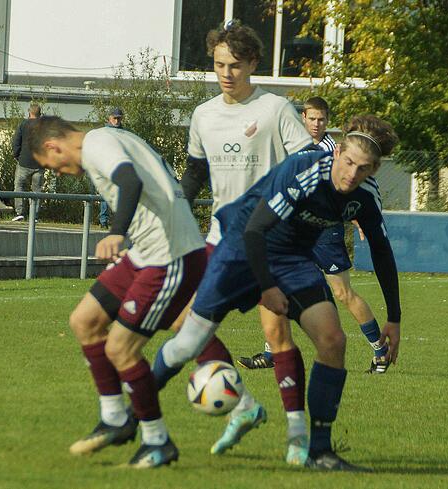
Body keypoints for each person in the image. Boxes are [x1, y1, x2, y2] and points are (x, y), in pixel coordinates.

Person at [155, 114, 401, 470]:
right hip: (242, 247)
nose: (352, 174)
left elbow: (381, 249)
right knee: (189, 339)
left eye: (363, 169)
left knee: (333, 340)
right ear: (337, 152)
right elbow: (256, 230)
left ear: (374, 169)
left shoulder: (364, 195)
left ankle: (318, 451)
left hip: (292, 259)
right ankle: (136, 413)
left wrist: (394, 318)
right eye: (348, 162)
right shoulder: (304, 171)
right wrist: (267, 288)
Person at [156, 19, 312, 459]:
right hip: (220, 239)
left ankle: (297, 434)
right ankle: (243, 405)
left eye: (236, 65)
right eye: (219, 64)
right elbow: (195, 173)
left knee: (276, 333)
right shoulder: (203, 115)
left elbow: (308, 166)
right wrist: (175, 209)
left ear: (254, 64)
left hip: (271, 241)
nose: (226, 73)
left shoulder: (276, 109)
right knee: (182, 321)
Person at [27, 115, 212, 468]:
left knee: (120, 348)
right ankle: (113, 418)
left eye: (49, 164)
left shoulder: (97, 144)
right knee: (85, 320)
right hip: (146, 252)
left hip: (169, 256)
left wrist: (116, 232)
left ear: (53, 146)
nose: (58, 171)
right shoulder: (109, 137)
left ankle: (157, 441)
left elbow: (129, 181)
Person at [239, 96, 392, 374]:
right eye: (312, 118)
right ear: (304, 119)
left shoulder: (335, 149)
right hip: (295, 226)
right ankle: (272, 350)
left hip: (326, 231)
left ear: (327, 121)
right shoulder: (294, 143)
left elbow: (353, 190)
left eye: (321, 119)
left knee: (342, 292)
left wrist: (359, 217)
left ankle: (379, 350)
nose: (316, 123)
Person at [11, 103, 45, 222]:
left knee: (19, 186)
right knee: (37, 189)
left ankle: (20, 212)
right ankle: (34, 216)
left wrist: (16, 155)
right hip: (39, 163)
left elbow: (16, 142)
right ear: (40, 114)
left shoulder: (23, 125)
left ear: (29, 112)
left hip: (24, 161)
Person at [99, 108, 124, 228]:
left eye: (119, 118)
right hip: (106, 166)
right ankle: (103, 220)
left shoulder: (124, 133)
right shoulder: (105, 132)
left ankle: (118, 221)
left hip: (119, 167)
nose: (117, 120)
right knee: (105, 194)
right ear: (109, 118)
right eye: (115, 118)